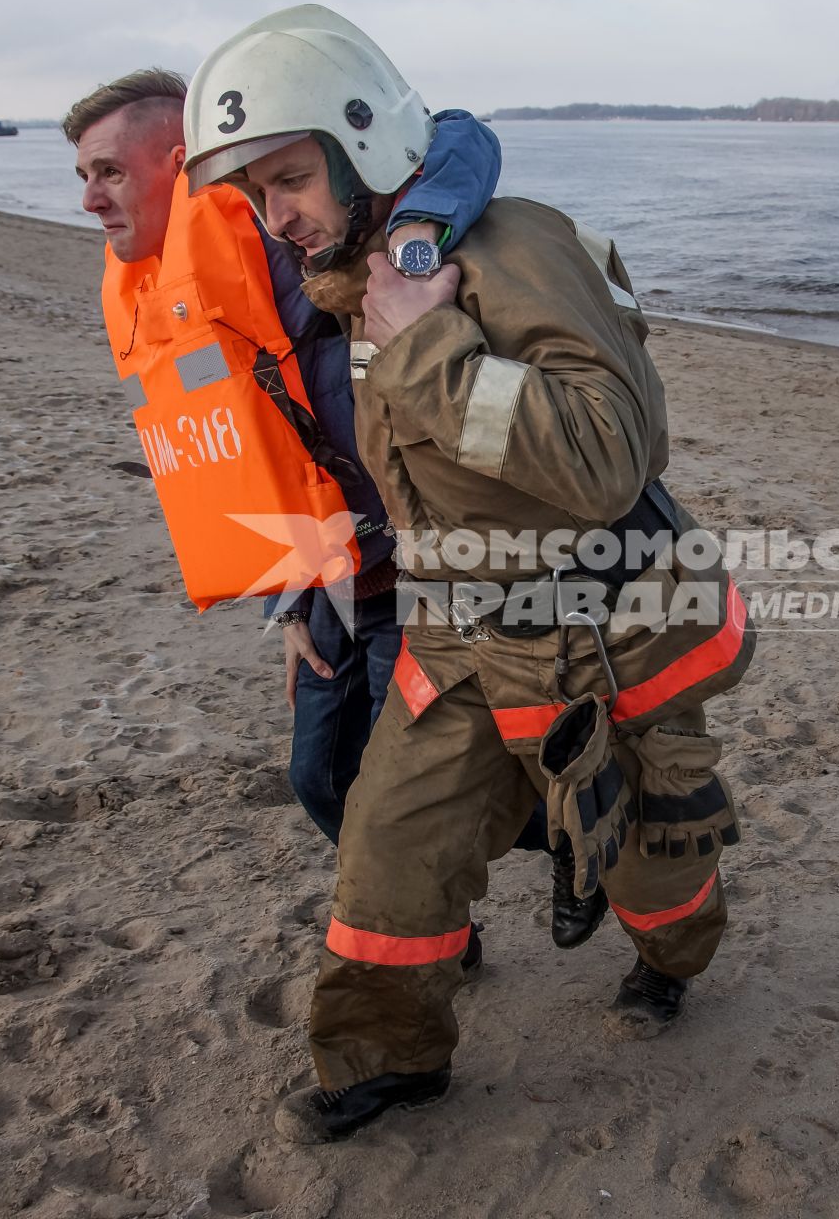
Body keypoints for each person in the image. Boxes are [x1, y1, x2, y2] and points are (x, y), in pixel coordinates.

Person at [183, 4, 756, 1142]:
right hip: (462, 640)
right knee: (389, 849)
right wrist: (315, 579)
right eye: (253, 194)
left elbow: (606, 456)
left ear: (362, 148)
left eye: (287, 178)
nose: (275, 215)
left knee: (660, 869)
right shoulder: (361, 280)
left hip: (615, 633)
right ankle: (386, 1057)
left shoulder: (510, 251)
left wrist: (425, 345)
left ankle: (674, 962)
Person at [64, 69, 596, 965]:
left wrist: (419, 240)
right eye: (81, 176)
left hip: (425, 571)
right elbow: (245, 467)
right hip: (325, 583)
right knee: (318, 778)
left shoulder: (289, 243)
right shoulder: (153, 294)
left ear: (183, 161)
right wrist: (288, 599)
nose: (88, 200)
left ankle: (559, 857)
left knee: (424, 788)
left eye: (109, 171)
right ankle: (481, 895)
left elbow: (460, 133)